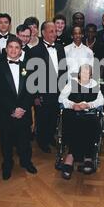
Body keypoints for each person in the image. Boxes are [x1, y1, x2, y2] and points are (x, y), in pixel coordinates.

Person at [0, 36, 37, 180]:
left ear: (21, 51)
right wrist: (13, 109)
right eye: (10, 47)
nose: (13, 50)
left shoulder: (28, 67)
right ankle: (7, 164)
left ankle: (26, 161)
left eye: (17, 48)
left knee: (24, 141)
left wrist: (23, 108)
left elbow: (31, 90)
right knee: (6, 142)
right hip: (7, 114)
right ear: (6, 49)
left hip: (24, 113)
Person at [58, 64, 104, 179]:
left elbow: (101, 101)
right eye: (82, 72)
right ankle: (71, 155)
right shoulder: (72, 83)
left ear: (91, 74)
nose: (84, 74)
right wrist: (73, 105)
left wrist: (88, 104)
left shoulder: (94, 84)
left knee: (91, 123)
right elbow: (61, 99)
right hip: (73, 113)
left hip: (88, 113)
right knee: (76, 123)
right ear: (78, 73)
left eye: (87, 72)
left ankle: (87, 156)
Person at [28, 21, 67, 153]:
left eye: (55, 31)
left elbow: (64, 70)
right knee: (42, 118)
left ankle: (50, 137)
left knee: (54, 117)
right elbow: (31, 75)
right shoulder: (35, 51)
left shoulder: (60, 48)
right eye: (51, 31)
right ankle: (42, 141)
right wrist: (35, 95)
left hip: (58, 91)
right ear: (43, 33)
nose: (54, 34)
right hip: (42, 92)